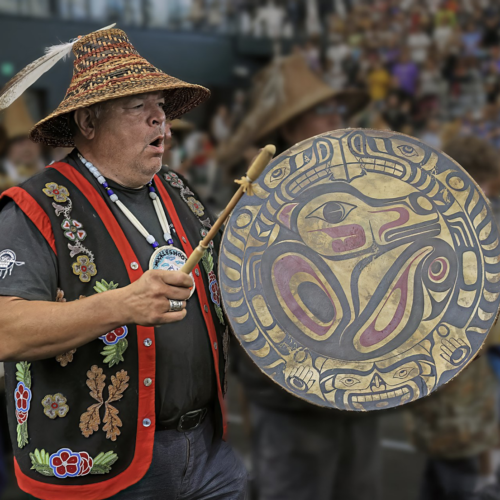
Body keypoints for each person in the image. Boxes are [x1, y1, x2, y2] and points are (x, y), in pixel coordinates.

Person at [0, 27, 246, 500]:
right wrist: (122, 304)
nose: (161, 119)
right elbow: (7, 328)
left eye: (161, 106)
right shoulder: (36, 206)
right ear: (89, 122)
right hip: (103, 468)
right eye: (139, 107)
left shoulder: (177, 191)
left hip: (210, 452)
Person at [219, 52, 377, 500]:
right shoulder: (254, 199)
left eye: (337, 110)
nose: (335, 119)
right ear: (288, 128)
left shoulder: (353, 183)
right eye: (322, 111)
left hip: (359, 388)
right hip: (293, 394)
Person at [406, 135, 500, 500]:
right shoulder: (473, 233)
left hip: (441, 392)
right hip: (463, 399)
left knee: (442, 472)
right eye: (487, 187)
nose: (490, 196)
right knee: (465, 479)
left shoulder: (427, 226)